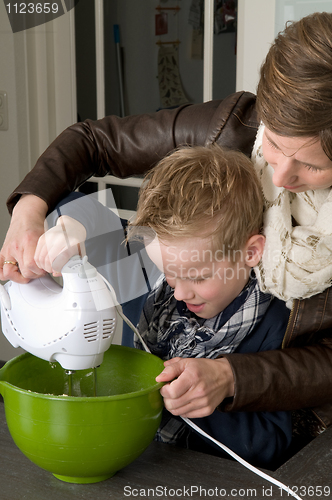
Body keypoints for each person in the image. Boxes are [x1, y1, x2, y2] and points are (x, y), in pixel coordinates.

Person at [1, 12, 332, 437]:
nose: (280, 177)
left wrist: (233, 378)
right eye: (273, 143)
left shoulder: (262, 322)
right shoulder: (232, 128)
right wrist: (31, 214)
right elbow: (93, 142)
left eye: (310, 164)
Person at [36, 144, 292, 468]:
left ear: (251, 252)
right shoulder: (143, 272)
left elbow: (274, 441)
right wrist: (71, 227)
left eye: (198, 277)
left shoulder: (277, 320)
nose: (181, 292)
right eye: (170, 273)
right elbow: (72, 204)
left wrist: (198, 401)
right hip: (133, 461)